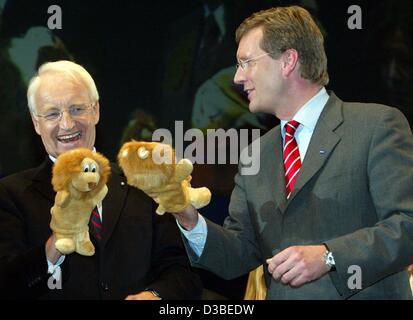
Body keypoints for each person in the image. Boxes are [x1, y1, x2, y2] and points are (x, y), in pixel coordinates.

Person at [173, 6, 413, 299]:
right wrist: (188, 218)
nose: (237, 77)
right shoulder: (254, 155)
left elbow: (407, 225)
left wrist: (329, 256)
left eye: (246, 62)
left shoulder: (375, 126)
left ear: (287, 61)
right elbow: (238, 254)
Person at [0, 60, 202, 300]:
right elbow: (6, 284)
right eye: (53, 113)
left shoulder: (143, 182)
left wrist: (155, 295)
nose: (67, 124)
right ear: (36, 123)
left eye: (77, 109)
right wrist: (55, 246)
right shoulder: (11, 194)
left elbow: (182, 270)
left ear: (95, 110)